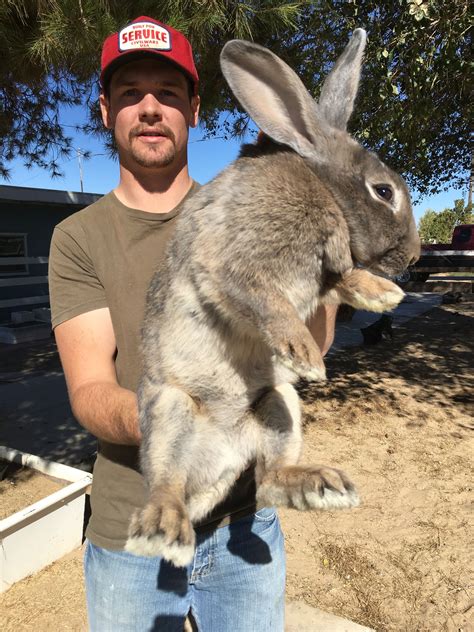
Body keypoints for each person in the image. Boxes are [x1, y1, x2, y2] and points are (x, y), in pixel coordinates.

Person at [49, 15, 338, 632]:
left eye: (168, 94)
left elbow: (309, 350)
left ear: (195, 109)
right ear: (105, 112)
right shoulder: (77, 238)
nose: (150, 108)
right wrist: (191, 427)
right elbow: (90, 390)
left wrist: (326, 244)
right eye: (130, 94)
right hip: (134, 528)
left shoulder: (248, 211)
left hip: (243, 527)